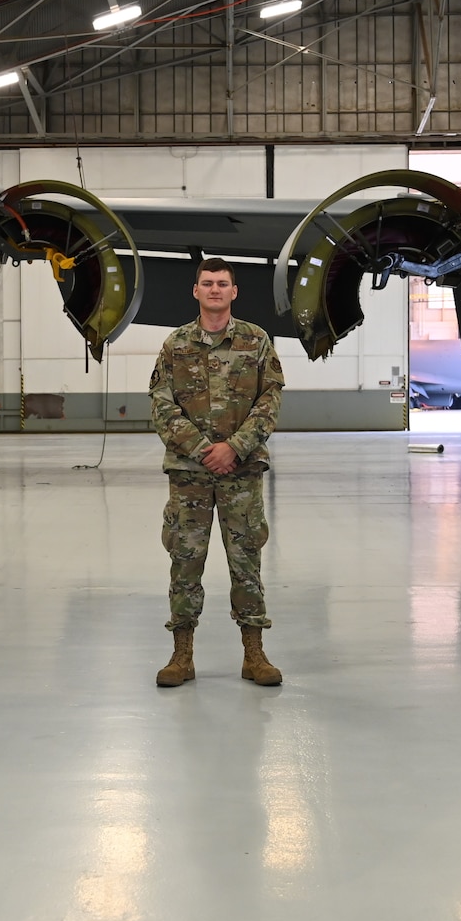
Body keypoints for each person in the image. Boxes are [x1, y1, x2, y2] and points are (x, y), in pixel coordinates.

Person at [148, 258, 286, 688]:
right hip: (189, 475)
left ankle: (254, 654)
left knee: (246, 561)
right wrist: (205, 450)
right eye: (207, 283)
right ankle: (182, 655)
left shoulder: (256, 340)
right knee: (185, 562)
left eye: (222, 283)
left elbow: (270, 400)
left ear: (233, 292)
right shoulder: (175, 345)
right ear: (196, 291)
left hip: (241, 473)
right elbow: (161, 405)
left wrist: (235, 448)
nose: (214, 289)